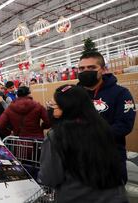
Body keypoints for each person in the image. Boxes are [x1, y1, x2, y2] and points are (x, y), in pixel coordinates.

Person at [39, 85, 127, 202]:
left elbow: (49, 178)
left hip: (76, 197)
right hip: (115, 196)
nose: (50, 108)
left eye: (53, 105)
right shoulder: (103, 127)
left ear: (67, 107)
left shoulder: (56, 136)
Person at [78, 51, 136, 183]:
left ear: (103, 70)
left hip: (110, 160)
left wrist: (91, 135)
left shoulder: (121, 93)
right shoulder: (74, 94)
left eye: (91, 67)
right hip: (80, 160)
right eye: (82, 68)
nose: (85, 71)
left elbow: (125, 125)